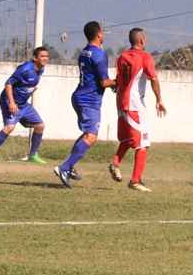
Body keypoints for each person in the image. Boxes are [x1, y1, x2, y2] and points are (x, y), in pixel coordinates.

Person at [54, 21, 116, 187]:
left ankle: (70, 166)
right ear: (99, 34)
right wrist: (117, 83)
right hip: (89, 100)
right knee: (91, 136)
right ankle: (64, 168)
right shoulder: (99, 54)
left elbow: (97, 79)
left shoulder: (84, 52)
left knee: (87, 134)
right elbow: (104, 82)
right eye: (102, 32)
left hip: (80, 96)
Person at [109, 28, 165, 192]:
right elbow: (153, 78)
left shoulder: (122, 57)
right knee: (143, 143)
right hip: (134, 105)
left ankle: (115, 163)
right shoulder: (145, 57)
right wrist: (159, 100)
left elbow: (118, 81)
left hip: (121, 102)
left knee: (128, 138)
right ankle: (135, 181)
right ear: (142, 40)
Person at [0, 47, 51, 164]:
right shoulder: (25, 69)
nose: (45, 58)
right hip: (10, 102)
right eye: (42, 56)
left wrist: (30, 90)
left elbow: (27, 85)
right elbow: (8, 84)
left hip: (23, 104)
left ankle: (33, 155)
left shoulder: (41, 69)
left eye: (47, 56)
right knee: (9, 127)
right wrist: (11, 102)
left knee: (40, 126)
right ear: (35, 58)